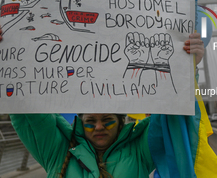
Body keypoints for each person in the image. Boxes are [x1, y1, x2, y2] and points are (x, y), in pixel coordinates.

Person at [0, 25, 206, 178]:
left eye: (107, 120)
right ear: (80, 122)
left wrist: (186, 66)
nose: (98, 127)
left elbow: (169, 112)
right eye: (90, 122)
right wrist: (8, 55)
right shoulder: (57, 150)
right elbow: (24, 105)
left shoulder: (140, 149)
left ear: (120, 120)